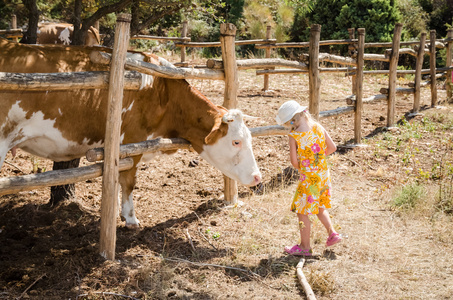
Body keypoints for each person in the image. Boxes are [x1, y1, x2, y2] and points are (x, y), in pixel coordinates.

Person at [276, 100, 341, 256]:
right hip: (323, 175)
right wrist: (317, 159)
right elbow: (332, 148)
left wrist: (305, 167)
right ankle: (333, 234)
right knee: (319, 207)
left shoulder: (295, 136)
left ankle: (305, 247)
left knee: (301, 210)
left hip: (309, 178)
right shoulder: (318, 128)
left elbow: (294, 162)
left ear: (291, 121)